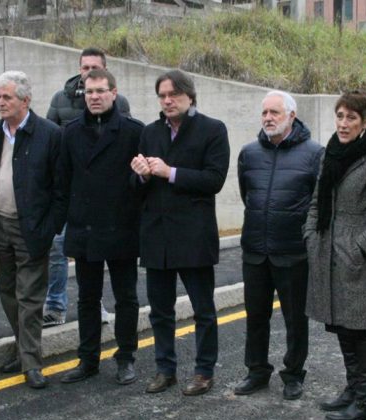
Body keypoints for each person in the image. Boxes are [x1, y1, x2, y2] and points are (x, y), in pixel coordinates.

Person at [131, 69, 230, 396]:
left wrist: (169, 172)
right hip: (156, 235)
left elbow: (214, 180)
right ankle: (165, 369)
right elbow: (137, 188)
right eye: (162, 95)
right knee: (160, 311)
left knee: (203, 309)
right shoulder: (149, 132)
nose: (167, 101)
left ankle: (203, 372)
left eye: (173, 94)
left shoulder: (212, 130)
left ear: (190, 96)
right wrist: (143, 175)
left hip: (193, 235)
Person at [305, 91, 366, 420]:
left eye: (351, 118)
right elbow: (317, 201)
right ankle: (353, 389)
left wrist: (360, 247)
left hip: (360, 262)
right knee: (344, 329)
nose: (343, 124)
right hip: (328, 255)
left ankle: (365, 402)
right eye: (340, 116)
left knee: (363, 332)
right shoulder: (328, 154)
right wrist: (310, 236)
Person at [0, 71, 66, 389]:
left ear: (25, 101)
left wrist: (50, 226)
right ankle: (23, 351)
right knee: (8, 293)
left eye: (7, 97)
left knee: (30, 297)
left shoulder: (50, 135)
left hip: (32, 227)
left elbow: (60, 189)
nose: (0, 102)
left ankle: (31, 362)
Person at [234, 91, 323, 401]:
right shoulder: (248, 153)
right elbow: (248, 195)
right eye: (264, 113)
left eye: (274, 112)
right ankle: (256, 371)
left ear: (292, 116)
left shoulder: (314, 154)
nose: (268, 118)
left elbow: (318, 202)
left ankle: (294, 374)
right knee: (256, 316)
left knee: (295, 319)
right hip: (256, 250)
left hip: (294, 252)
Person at [57, 69, 144, 386]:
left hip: (121, 227)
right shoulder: (70, 132)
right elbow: (63, 181)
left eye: (100, 91)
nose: (93, 97)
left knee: (126, 299)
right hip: (85, 228)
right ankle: (88, 360)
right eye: (88, 92)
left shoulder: (134, 132)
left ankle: (126, 358)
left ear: (113, 93)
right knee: (87, 299)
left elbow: (143, 182)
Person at [43, 47, 130, 328]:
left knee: (112, 277)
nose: (89, 73)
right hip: (74, 202)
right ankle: (56, 305)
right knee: (59, 251)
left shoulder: (124, 111)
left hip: (110, 208)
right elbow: (50, 141)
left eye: (95, 67)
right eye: (84, 68)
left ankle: (116, 338)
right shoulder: (61, 101)